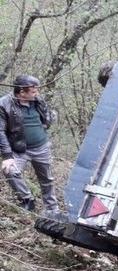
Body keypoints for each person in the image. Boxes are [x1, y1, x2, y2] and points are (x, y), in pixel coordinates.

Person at [0, 75, 60, 215]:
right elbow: (0, 131)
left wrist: (50, 118)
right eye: (33, 92)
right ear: (21, 92)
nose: (37, 94)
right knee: (10, 171)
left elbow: (46, 119)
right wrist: (7, 156)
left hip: (41, 147)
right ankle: (27, 200)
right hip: (19, 149)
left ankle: (52, 209)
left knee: (46, 179)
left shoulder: (37, 100)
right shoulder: (4, 104)